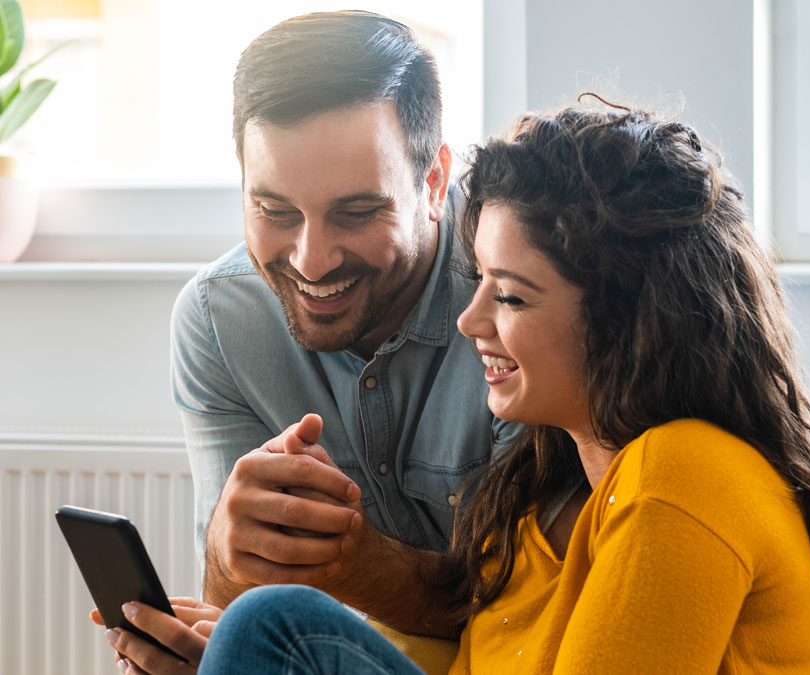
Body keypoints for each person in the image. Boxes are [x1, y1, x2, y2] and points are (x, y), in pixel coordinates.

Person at [186, 99, 810, 673]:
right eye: (480, 284)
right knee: (276, 625)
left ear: (625, 320)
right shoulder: (530, 509)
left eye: (513, 298)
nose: (470, 320)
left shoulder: (683, 472)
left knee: (269, 627)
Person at [92, 9, 520, 675]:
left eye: (356, 212)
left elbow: (543, 611)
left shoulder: (518, 292)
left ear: (433, 183)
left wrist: (360, 567)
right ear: (241, 174)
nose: (312, 261)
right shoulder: (217, 320)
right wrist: (222, 582)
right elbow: (240, 605)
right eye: (275, 211)